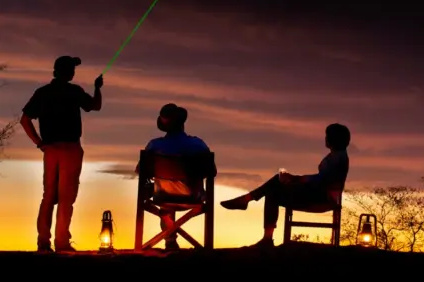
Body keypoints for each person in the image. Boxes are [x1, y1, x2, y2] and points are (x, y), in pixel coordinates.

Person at [20, 55, 103, 253]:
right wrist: (98, 88)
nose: (73, 72)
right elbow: (95, 106)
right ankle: (62, 242)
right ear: (66, 71)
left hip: (50, 149)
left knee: (48, 195)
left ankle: (43, 241)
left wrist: (40, 143)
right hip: (70, 148)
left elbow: (25, 120)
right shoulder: (74, 92)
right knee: (66, 197)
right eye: (72, 69)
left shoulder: (43, 93)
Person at [220, 123, 350, 248]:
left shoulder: (338, 157)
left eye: (327, 135)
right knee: (274, 188)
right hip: (318, 193)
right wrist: (295, 180)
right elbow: (320, 180)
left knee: (275, 186)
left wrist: (296, 179)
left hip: (321, 198)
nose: (325, 138)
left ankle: (248, 203)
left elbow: (322, 180)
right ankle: (258, 222)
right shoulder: (336, 156)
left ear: (334, 139)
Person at [136, 103, 215, 250]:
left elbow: (141, 171)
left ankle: (170, 239)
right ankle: (171, 237)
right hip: (193, 197)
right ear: (183, 123)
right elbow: (212, 172)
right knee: (174, 187)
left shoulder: (154, 146)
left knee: (163, 192)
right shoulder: (198, 145)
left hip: (162, 197)